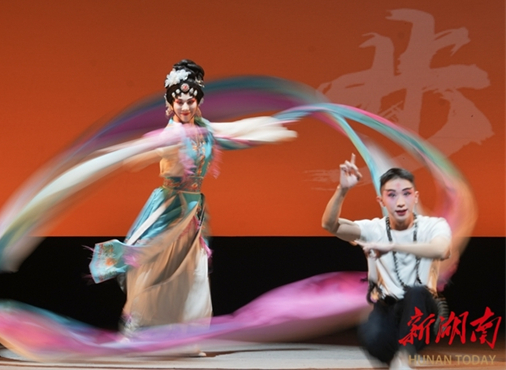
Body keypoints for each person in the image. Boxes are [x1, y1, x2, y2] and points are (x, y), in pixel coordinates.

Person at [89, 59, 295, 338]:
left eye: (190, 101)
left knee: (193, 271)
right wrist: (130, 154)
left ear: (198, 102)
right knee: (151, 266)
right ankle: (136, 327)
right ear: (170, 103)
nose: (185, 107)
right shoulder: (171, 134)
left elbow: (234, 130)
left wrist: (270, 127)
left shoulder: (204, 129)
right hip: (168, 209)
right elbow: (147, 148)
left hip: (192, 210)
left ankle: (189, 334)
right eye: (179, 102)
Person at [321, 154, 451, 370]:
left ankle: (405, 355)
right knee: (374, 341)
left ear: (415, 197)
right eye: (391, 195)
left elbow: (441, 249)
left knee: (416, 292)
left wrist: (392, 246)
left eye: (406, 194)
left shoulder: (434, 226)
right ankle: (397, 353)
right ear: (381, 201)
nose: (400, 202)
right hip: (387, 307)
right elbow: (330, 225)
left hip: (423, 313)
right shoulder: (374, 229)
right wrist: (342, 190)